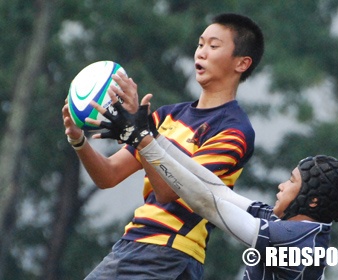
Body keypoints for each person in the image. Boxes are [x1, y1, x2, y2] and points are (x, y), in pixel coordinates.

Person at [62, 13, 264, 279]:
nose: (201, 52)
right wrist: (78, 140)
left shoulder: (234, 131)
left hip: (170, 253)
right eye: (200, 44)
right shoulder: (168, 115)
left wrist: (140, 135)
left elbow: (171, 190)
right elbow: (108, 175)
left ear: (242, 63)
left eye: (213, 46)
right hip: (132, 244)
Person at [87, 97, 338, 280]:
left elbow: (208, 205)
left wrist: (144, 144)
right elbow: (218, 190)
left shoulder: (297, 240)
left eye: (291, 182)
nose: (281, 185)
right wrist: (150, 137)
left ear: (311, 201)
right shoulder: (287, 225)